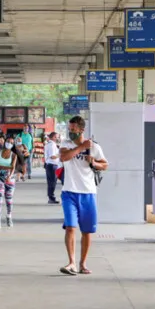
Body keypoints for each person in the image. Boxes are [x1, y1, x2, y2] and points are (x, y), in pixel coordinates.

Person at [58, 116, 108, 276]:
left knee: (87, 231)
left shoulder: (95, 147)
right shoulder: (66, 144)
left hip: (88, 193)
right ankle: (71, 262)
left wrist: (94, 163)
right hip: (69, 192)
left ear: (81, 130)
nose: (70, 132)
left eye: (73, 130)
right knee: (70, 227)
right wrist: (81, 148)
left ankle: (82, 263)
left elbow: (105, 164)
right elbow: (64, 157)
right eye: (69, 129)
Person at [0, 135, 20, 228]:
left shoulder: (14, 155)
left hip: (10, 178)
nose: (10, 144)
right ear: (5, 142)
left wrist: (10, 176)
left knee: (9, 200)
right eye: (8, 141)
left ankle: (9, 216)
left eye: (12, 143)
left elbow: (13, 166)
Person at [44, 132, 61, 205]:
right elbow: (52, 156)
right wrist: (61, 154)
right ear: (53, 137)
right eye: (57, 137)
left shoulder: (49, 144)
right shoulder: (52, 145)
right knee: (52, 182)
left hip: (50, 165)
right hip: (52, 165)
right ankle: (51, 198)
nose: (58, 138)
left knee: (51, 182)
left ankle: (51, 197)